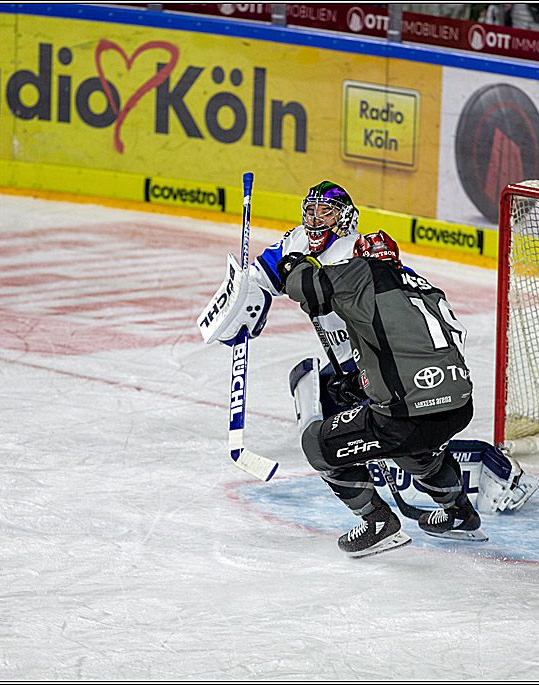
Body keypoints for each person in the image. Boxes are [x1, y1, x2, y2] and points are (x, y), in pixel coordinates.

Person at [275, 230, 485, 558]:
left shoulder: (361, 274)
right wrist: (360, 385)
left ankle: (378, 522)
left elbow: (304, 286)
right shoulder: (425, 287)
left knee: (317, 444)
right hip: (458, 407)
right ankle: (459, 512)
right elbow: (410, 350)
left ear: (360, 258)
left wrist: (292, 263)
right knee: (420, 453)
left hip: (406, 419)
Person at [198, 181, 363, 416]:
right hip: (343, 360)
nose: (315, 221)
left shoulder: (358, 249)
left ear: (345, 218)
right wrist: (241, 304)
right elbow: (259, 277)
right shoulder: (298, 240)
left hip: (374, 358)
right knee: (327, 407)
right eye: (311, 212)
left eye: (326, 213)